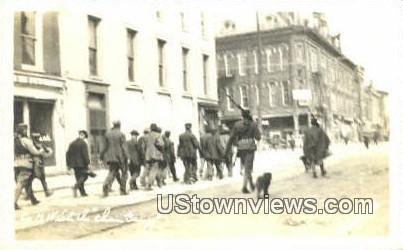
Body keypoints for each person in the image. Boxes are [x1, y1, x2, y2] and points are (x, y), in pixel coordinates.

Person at [225, 110, 261, 194]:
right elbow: (258, 137)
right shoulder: (253, 124)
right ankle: (244, 187)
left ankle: (251, 184)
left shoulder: (237, 125)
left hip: (241, 148)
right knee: (248, 168)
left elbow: (231, 137)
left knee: (246, 167)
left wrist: (227, 149)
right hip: (250, 148)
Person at [14, 123, 44, 209]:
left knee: (28, 182)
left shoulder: (14, 140)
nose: (26, 131)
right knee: (21, 183)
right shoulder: (26, 140)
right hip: (26, 164)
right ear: (23, 131)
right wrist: (41, 150)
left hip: (16, 164)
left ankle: (33, 199)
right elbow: (34, 152)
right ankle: (13, 202)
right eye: (25, 129)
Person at [100, 120, 128, 197]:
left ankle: (106, 184)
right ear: (119, 125)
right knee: (124, 173)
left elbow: (104, 147)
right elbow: (124, 147)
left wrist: (101, 156)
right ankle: (123, 190)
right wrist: (126, 156)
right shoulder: (121, 134)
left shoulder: (107, 134)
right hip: (120, 157)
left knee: (112, 172)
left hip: (110, 157)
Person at [66, 130, 91, 197]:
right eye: (85, 137)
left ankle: (83, 193)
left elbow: (68, 154)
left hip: (74, 164)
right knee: (85, 176)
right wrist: (88, 163)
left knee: (78, 178)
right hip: (82, 164)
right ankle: (75, 187)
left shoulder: (72, 143)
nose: (84, 138)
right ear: (83, 135)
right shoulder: (83, 143)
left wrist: (69, 165)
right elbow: (85, 155)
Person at [30, 133, 53, 197]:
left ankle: (46, 192)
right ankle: (46, 192)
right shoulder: (36, 145)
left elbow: (47, 150)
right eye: (36, 137)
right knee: (39, 177)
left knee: (38, 178)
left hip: (36, 163)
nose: (37, 138)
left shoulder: (34, 144)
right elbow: (47, 151)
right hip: (37, 163)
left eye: (38, 137)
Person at [143, 123, 164, 190]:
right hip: (155, 155)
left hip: (148, 155)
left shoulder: (146, 136)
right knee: (154, 170)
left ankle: (159, 183)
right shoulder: (158, 135)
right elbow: (161, 144)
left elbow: (143, 146)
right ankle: (148, 185)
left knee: (153, 169)